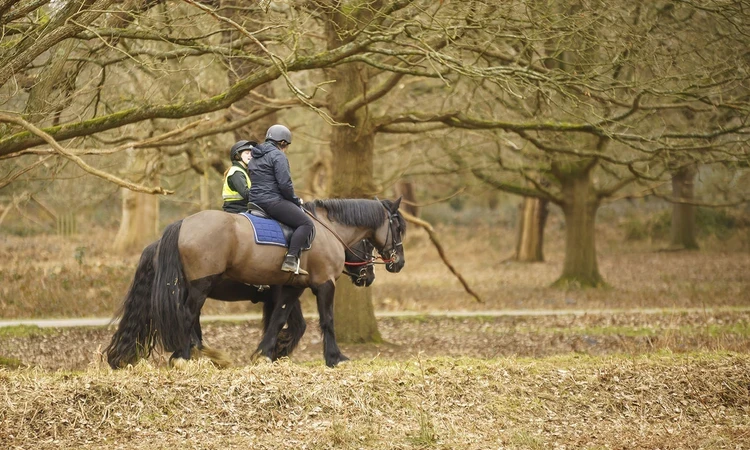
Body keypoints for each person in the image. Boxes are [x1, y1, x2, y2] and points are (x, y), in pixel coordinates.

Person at [248, 124, 313, 275]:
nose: (286, 149)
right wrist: (295, 200)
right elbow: (284, 185)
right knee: (306, 223)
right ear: (283, 143)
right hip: (271, 201)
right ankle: (291, 259)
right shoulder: (278, 156)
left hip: (254, 202)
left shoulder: (254, 157)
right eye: (286, 146)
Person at [222, 140, 256, 214]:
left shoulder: (244, 171)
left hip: (242, 208)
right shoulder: (236, 172)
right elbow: (246, 194)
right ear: (238, 156)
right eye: (247, 153)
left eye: (252, 153)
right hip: (237, 209)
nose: (250, 155)